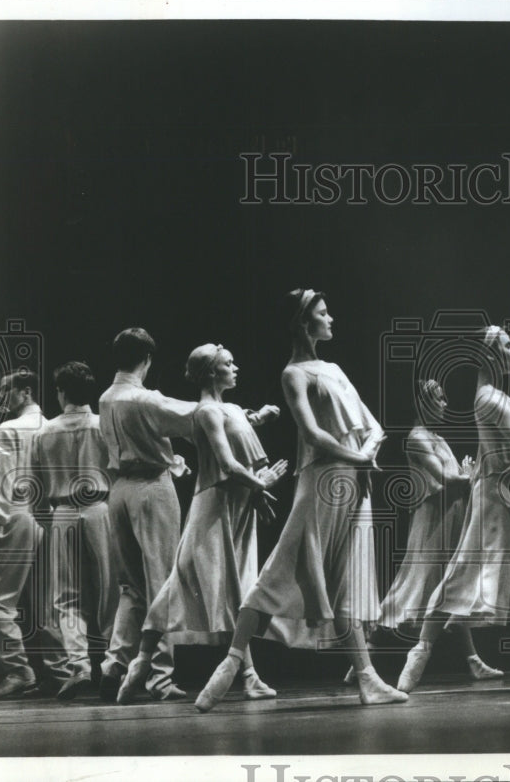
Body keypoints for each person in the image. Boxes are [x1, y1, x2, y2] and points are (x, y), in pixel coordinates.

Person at [195, 289, 407, 711]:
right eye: (323, 314)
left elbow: (373, 424)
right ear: (302, 322)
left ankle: (367, 678)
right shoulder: (294, 373)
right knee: (284, 566)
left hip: (354, 480)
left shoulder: (333, 367)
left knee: (349, 577)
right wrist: (360, 457)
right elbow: (313, 434)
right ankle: (231, 662)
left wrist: (367, 454)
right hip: (324, 478)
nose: (331, 319)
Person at [396, 326, 510, 693]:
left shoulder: (497, 397)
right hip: (495, 503)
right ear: (489, 354)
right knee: (462, 575)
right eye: (508, 346)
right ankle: (419, 655)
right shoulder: (488, 399)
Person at [116, 344, 287, 704]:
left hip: (238, 511)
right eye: (228, 363)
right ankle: (142, 662)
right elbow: (227, 464)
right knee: (180, 582)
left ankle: (249, 674)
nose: (236, 368)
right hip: (213, 508)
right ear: (211, 372)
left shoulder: (230, 408)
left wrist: (262, 421)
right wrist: (262, 484)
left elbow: (242, 426)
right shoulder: (206, 411)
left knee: (241, 591)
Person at [345, 379, 502, 685]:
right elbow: (445, 478)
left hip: (451, 518)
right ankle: (360, 660)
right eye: (440, 399)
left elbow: (455, 477)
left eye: (445, 398)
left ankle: (473, 661)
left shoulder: (437, 438)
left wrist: (468, 477)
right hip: (432, 522)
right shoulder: (417, 438)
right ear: (424, 403)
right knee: (413, 586)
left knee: (451, 590)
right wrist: (475, 476)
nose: (445, 404)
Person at [98, 328, 196, 701]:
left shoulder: (106, 398)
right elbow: (194, 418)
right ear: (147, 359)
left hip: (119, 491)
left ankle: (114, 664)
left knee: (131, 586)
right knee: (162, 582)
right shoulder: (145, 399)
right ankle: (159, 677)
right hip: (151, 489)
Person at [28, 361, 120, 700]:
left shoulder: (44, 432)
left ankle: (80, 665)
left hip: (63, 511)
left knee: (66, 597)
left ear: (61, 392)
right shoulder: (103, 426)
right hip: (101, 508)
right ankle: (112, 662)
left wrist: (47, 521)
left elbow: (34, 488)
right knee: (111, 592)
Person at [0, 370, 66, 699]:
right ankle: (61, 673)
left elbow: (5, 485)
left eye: (7, 392)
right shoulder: (52, 427)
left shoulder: (8, 430)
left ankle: (18, 670)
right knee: (47, 604)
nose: (2, 399)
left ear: (26, 392)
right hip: (48, 518)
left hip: (17, 516)